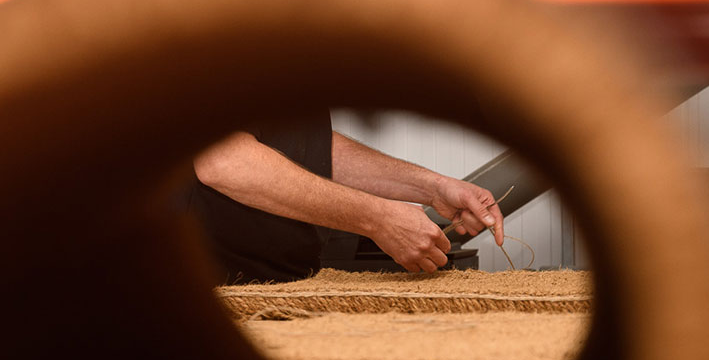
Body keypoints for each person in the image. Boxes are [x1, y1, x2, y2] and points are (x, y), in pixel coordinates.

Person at [187, 107, 504, 284]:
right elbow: (223, 160)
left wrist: (433, 188)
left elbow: (310, 149)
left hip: (276, 288)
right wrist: (378, 219)